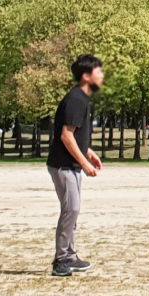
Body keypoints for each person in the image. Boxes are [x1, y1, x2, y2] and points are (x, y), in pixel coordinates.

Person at [46, 54, 104, 277]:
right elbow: (65, 136)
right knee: (71, 209)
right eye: (98, 72)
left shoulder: (81, 99)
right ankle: (60, 261)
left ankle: (70, 255)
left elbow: (76, 136)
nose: (102, 76)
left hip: (72, 165)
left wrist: (88, 152)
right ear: (86, 76)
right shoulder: (76, 99)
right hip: (63, 165)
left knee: (73, 209)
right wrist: (84, 163)